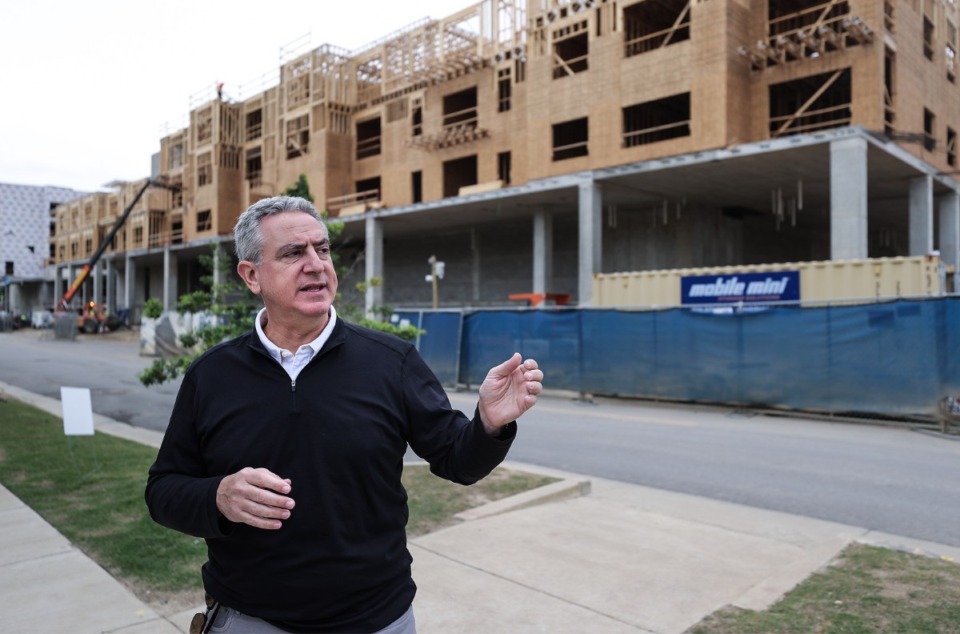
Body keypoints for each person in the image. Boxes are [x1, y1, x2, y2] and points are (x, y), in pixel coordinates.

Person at [145, 195, 543, 633]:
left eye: (323, 249)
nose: (315, 264)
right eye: (294, 253)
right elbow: (163, 490)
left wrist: (489, 423)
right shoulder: (212, 374)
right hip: (248, 618)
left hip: (375, 619)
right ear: (252, 275)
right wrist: (218, 496)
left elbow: (458, 460)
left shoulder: (392, 361)